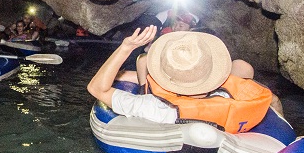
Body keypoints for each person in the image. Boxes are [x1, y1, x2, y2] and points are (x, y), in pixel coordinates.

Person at [88, 28, 279, 131]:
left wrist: (126, 47)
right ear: (213, 74)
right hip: (221, 113)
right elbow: (273, 101)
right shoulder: (229, 97)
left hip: (166, 116)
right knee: (243, 68)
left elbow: (97, 88)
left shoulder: (154, 108)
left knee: (142, 60)